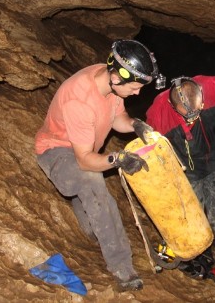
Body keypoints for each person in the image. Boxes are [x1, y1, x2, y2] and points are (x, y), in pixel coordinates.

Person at [34, 39, 165, 291]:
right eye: (135, 87)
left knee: (92, 209)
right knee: (92, 181)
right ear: (116, 78)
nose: (137, 93)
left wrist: (135, 124)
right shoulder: (79, 100)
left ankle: (92, 227)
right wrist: (118, 160)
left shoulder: (107, 79)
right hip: (56, 152)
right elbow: (84, 160)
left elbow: (117, 117)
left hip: (81, 147)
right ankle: (122, 268)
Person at [145, 75, 215, 275]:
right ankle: (196, 256)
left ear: (201, 95)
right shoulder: (159, 112)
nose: (193, 119)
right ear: (173, 106)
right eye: (187, 117)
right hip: (186, 169)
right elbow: (152, 148)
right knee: (191, 215)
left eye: (197, 112)